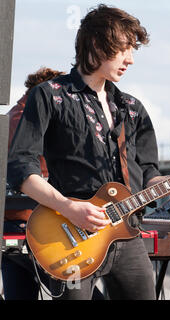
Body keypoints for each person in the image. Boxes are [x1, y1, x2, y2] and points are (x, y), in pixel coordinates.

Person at [7, 4, 170, 300]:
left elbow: (148, 177)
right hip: (70, 235)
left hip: (126, 235)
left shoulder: (132, 109)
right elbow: (20, 167)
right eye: (123, 50)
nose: (130, 60)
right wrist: (70, 207)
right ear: (95, 44)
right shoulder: (50, 95)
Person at [2, 67, 64, 300]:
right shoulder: (28, 117)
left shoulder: (13, 114)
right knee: (75, 291)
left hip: (11, 223)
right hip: (30, 222)